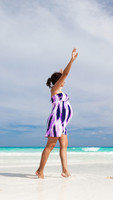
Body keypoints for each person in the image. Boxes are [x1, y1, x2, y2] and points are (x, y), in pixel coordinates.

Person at [36, 48, 78, 179]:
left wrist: (60, 73)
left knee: (64, 146)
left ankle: (65, 170)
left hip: (63, 122)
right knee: (51, 145)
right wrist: (71, 60)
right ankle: (40, 170)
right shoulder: (54, 89)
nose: (65, 81)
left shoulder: (60, 90)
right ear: (58, 81)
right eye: (62, 80)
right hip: (56, 121)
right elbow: (65, 74)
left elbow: (63, 74)